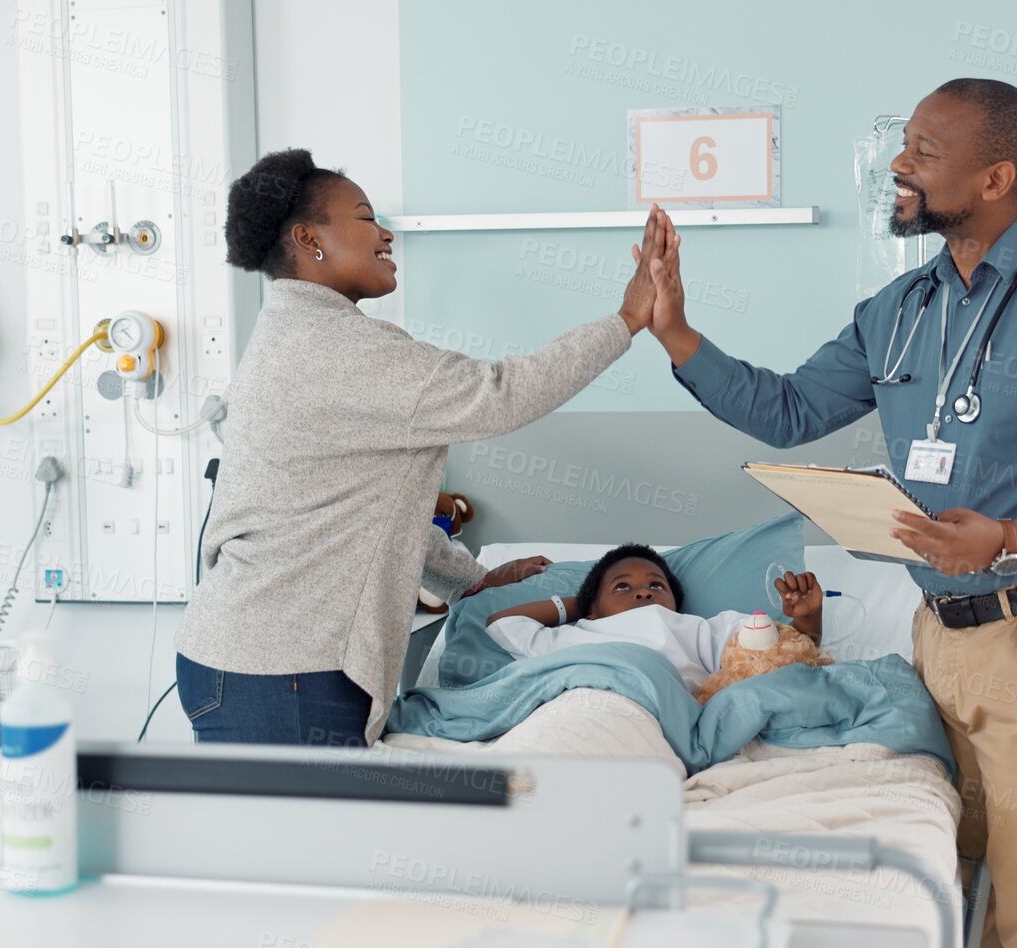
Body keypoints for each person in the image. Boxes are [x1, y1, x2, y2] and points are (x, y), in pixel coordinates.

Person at [644, 80, 1017, 948]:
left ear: (995, 175)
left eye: (924, 151)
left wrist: (1014, 538)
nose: (900, 163)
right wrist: (677, 331)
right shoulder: (901, 307)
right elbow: (790, 409)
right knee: (968, 909)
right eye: (905, 145)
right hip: (941, 644)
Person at [173, 148, 674, 748]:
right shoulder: (333, 347)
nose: (385, 234)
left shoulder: (297, 336)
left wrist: (472, 580)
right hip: (283, 671)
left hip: (254, 659)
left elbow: (372, 512)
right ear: (310, 239)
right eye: (364, 218)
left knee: (292, 840)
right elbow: (499, 396)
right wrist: (627, 319)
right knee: (302, 841)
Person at [482, 545, 822, 695]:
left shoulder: (698, 629)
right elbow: (503, 623)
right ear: (593, 609)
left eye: (656, 585)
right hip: (579, 703)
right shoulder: (574, 636)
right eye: (622, 586)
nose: (643, 592)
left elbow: (779, 654)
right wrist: (578, 605)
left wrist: (809, 618)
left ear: (675, 604)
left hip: (660, 713)